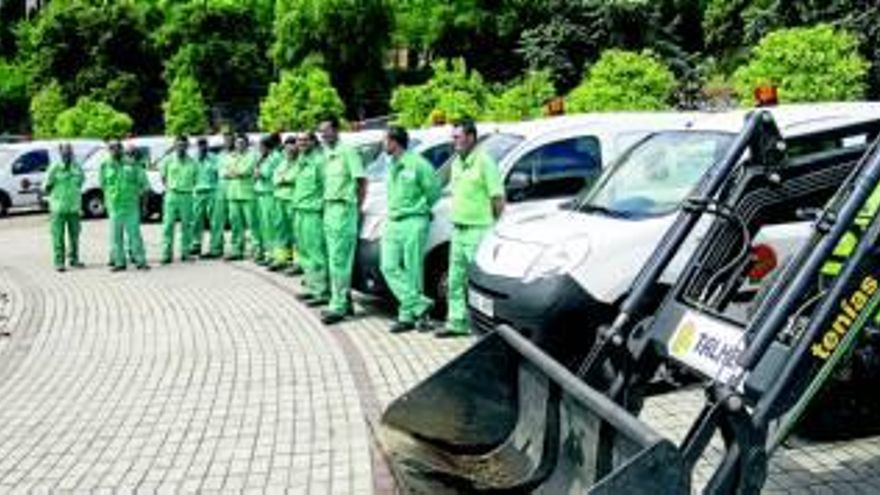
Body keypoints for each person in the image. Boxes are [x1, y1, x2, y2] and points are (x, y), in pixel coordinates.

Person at [438, 118, 504, 338]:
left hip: (479, 231)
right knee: (455, 280)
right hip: (458, 230)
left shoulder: (485, 162)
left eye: (457, 136)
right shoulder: (457, 162)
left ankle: (485, 329)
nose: (453, 141)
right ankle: (456, 322)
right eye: (453, 136)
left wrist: (492, 225)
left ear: (471, 137)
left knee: (479, 284)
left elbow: (498, 199)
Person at [380, 126, 441, 333]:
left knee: (413, 269)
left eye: (385, 140)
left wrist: (422, 208)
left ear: (394, 142)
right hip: (394, 221)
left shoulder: (418, 164)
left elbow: (434, 190)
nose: (383, 144)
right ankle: (420, 304)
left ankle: (408, 316)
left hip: (414, 221)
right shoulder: (391, 165)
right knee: (388, 266)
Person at [319, 116, 366, 324]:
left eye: (327, 130)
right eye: (321, 131)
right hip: (329, 208)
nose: (324, 135)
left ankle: (337, 306)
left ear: (337, 130)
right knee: (333, 259)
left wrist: (356, 207)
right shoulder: (327, 154)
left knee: (339, 260)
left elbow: (361, 182)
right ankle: (344, 301)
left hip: (344, 210)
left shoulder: (348, 151)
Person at [100, 140, 149, 271]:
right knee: (116, 237)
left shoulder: (132, 164)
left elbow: (144, 185)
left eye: (117, 148)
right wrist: (107, 203)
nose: (114, 151)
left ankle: (141, 261)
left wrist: (141, 202)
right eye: (111, 148)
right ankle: (119, 263)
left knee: (135, 235)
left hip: (131, 207)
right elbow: (103, 186)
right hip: (114, 207)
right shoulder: (105, 166)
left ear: (121, 149)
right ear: (108, 151)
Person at [293, 131, 329, 305]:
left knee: (316, 253)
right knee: (304, 253)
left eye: (305, 140)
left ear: (314, 142)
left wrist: (322, 209)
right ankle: (312, 287)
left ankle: (322, 292)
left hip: (313, 213)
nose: (301, 143)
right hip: (299, 211)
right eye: (299, 140)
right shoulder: (300, 161)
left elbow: (326, 187)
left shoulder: (319, 161)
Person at [44, 143, 85, 272]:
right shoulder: (54, 168)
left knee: (75, 236)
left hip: (73, 208)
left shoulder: (77, 167)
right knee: (58, 237)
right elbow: (46, 186)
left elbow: (81, 182)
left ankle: (74, 259)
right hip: (58, 209)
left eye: (69, 152)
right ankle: (59, 262)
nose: (67, 155)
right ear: (60, 153)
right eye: (65, 152)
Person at [160, 135, 197, 264]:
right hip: (172, 194)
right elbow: (163, 177)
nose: (181, 147)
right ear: (174, 145)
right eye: (178, 144)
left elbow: (195, 179)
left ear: (187, 146)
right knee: (168, 225)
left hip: (186, 195)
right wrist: (170, 188)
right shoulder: (168, 160)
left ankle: (185, 253)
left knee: (187, 225)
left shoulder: (192, 162)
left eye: (183, 145)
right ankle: (166, 254)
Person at [223, 134, 258, 261]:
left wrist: (234, 172)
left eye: (242, 142)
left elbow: (245, 170)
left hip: (247, 194)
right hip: (233, 194)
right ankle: (236, 250)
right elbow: (224, 173)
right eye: (237, 143)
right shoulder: (229, 156)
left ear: (247, 144)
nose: (239, 145)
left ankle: (257, 250)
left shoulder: (252, 156)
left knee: (252, 224)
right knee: (235, 224)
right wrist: (235, 173)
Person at [270, 135, 299, 272]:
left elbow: (293, 178)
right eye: (287, 146)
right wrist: (283, 180)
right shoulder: (282, 162)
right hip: (279, 199)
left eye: (292, 145)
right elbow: (275, 178)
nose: (289, 149)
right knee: (280, 231)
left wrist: (284, 179)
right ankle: (281, 259)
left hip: (292, 200)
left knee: (295, 233)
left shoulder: (300, 162)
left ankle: (297, 262)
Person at [254, 134, 282, 265]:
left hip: (270, 194)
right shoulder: (265, 157)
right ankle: (268, 254)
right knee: (265, 227)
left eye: (261, 146)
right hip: (261, 194)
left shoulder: (275, 157)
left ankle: (277, 257)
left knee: (272, 228)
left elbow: (265, 174)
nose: (259, 149)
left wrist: (258, 172)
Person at [205, 131, 234, 259]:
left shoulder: (238, 154)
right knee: (217, 221)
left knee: (235, 220)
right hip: (220, 189)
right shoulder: (220, 155)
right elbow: (216, 173)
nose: (227, 142)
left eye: (230, 139)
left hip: (234, 188)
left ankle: (236, 249)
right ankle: (215, 248)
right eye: (225, 139)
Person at [191, 137, 219, 257]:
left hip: (212, 191)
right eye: (200, 145)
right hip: (198, 192)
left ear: (207, 146)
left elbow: (218, 173)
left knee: (214, 221)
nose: (202, 147)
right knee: (196, 221)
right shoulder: (193, 159)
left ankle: (215, 247)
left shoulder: (214, 158)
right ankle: (196, 244)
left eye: (204, 145)